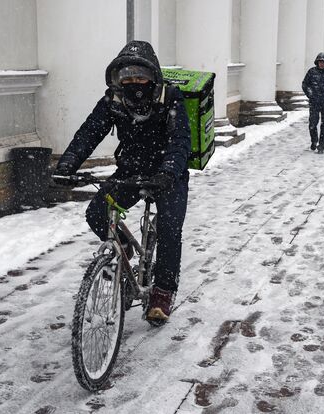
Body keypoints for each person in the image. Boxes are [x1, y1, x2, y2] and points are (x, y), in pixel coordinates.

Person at [54, 40, 191, 325]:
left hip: (169, 175)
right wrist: (67, 164)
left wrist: (168, 171)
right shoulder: (113, 102)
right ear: (117, 79)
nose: (134, 82)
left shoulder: (171, 99)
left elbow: (180, 142)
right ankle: (125, 251)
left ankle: (163, 293)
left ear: (153, 77)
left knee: (168, 231)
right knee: (96, 213)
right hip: (131, 171)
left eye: (140, 76)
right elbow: (89, 133)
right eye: (126, 77)